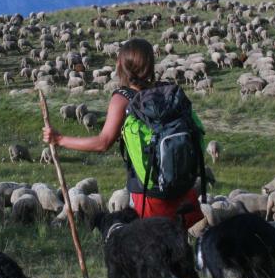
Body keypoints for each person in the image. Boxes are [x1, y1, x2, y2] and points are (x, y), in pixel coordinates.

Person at [42, 38, 204, 229]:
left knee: (152, 249)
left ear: (122, 65)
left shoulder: (123, 98)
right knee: (180, 247)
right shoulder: (169, 91)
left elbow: (103, 142)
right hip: (184, 187)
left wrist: (60, 139)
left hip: (151, 194)